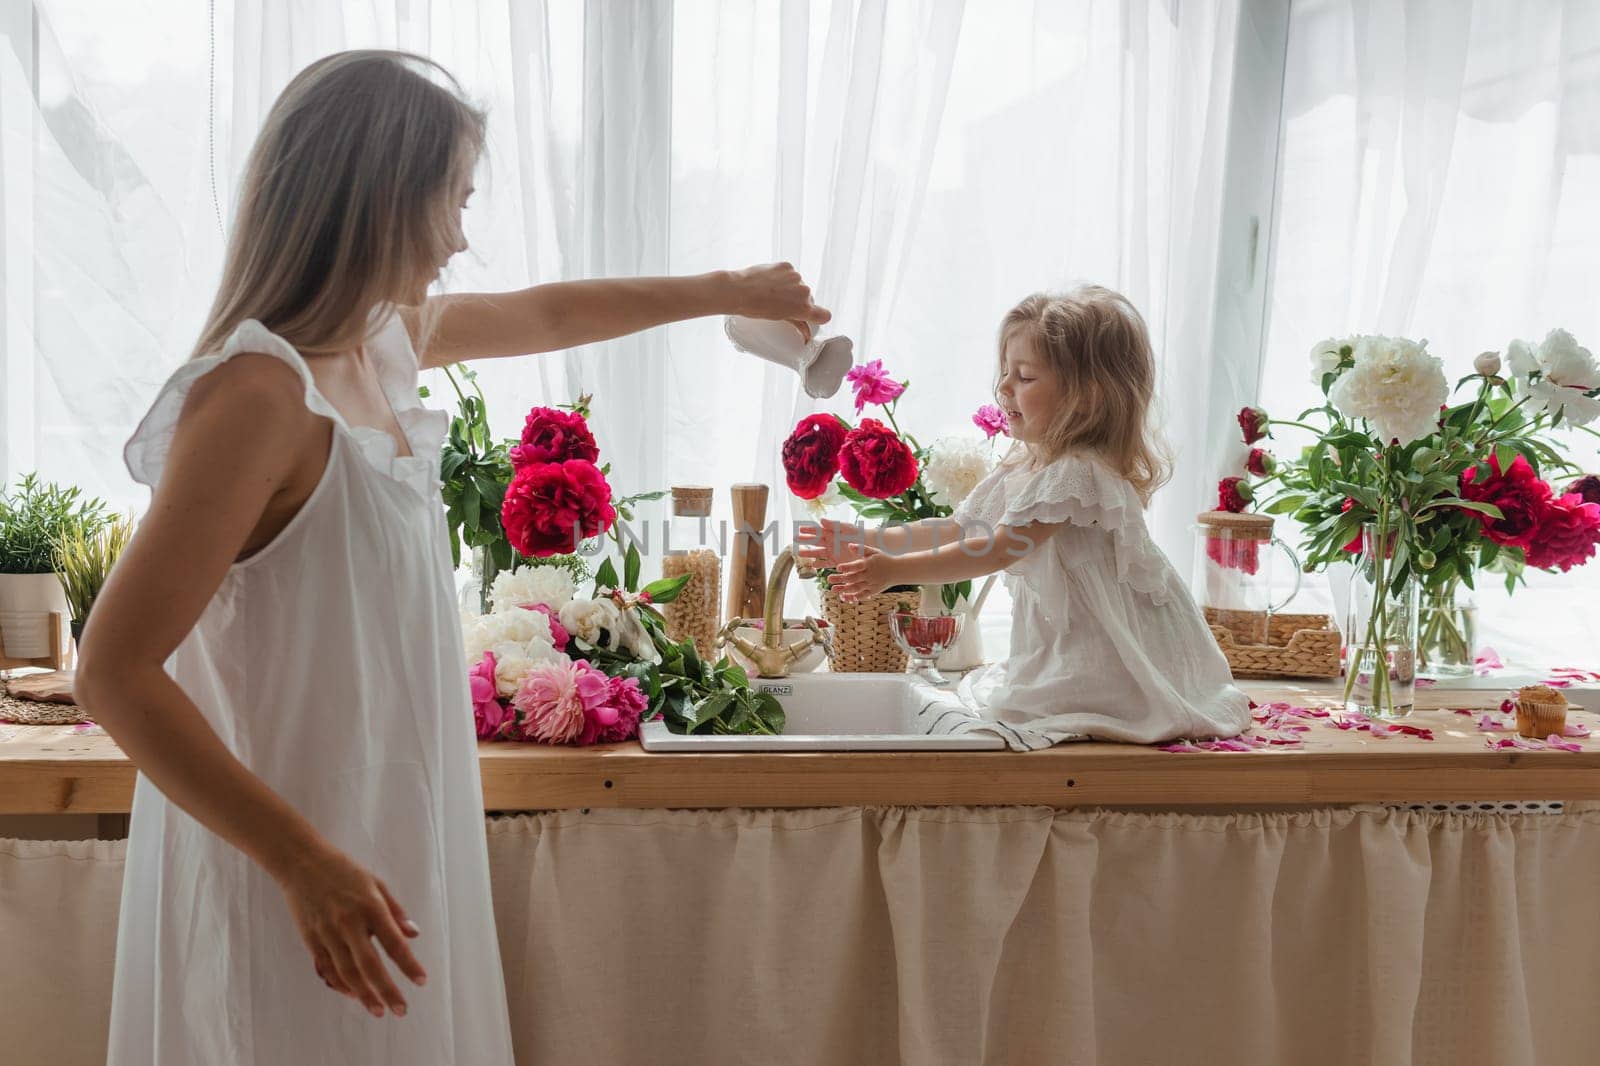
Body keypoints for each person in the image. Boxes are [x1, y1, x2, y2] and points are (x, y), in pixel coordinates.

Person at [75, 49, 829, 1064]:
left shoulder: (377, 345)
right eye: (452, 199)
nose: (460, 237)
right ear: (382, 196)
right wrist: (300, 862)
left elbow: (553, 312)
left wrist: (728, 288)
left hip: (383, 822)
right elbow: (113, 671)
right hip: (288, 859)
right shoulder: (257, 395)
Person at [799, 286, 1248, 750]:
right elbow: (959, 528)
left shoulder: (1077, 473)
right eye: (1005, 373)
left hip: (1107, 663)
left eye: (1026, 377)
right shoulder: (1028, 462)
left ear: (1087, 398)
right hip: (1066, 654)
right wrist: (871, 537)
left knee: (1035, 711)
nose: (1004, 388)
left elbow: (995, 549)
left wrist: (894, 570)